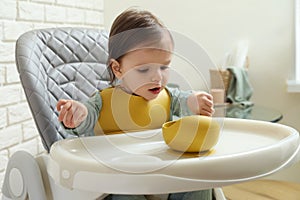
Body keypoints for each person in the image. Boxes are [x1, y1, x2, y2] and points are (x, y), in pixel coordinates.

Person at [57, 8, 214, 200]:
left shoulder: (167, 96)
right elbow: (86, 119)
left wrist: (194, 101)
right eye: (144, 69)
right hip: (120, 178)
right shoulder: (104, 101)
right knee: (125, 194)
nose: (157, 77)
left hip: (164, 174)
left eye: (164, 67)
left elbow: (183, 100)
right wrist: (79, 114)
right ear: (118, 68)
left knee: (200, 182)